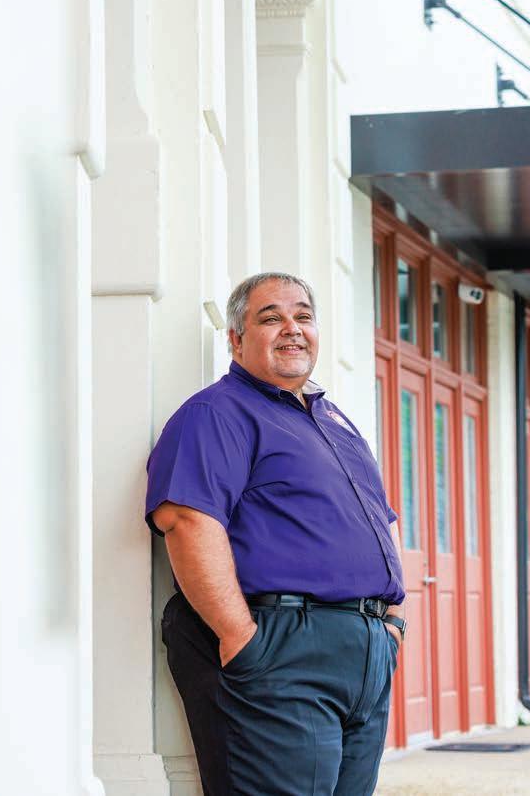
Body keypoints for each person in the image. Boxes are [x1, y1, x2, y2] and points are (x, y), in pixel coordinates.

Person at [146, 272, 406, 795]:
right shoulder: (216, 413)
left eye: (303, 316)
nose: (292, 328)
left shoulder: (334, 421)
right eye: (271, 318)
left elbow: (384, 519)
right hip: (281, 647)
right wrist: (240, 638)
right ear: (236, 339)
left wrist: (393, 625)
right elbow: (188, 521)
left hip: (363, 655)